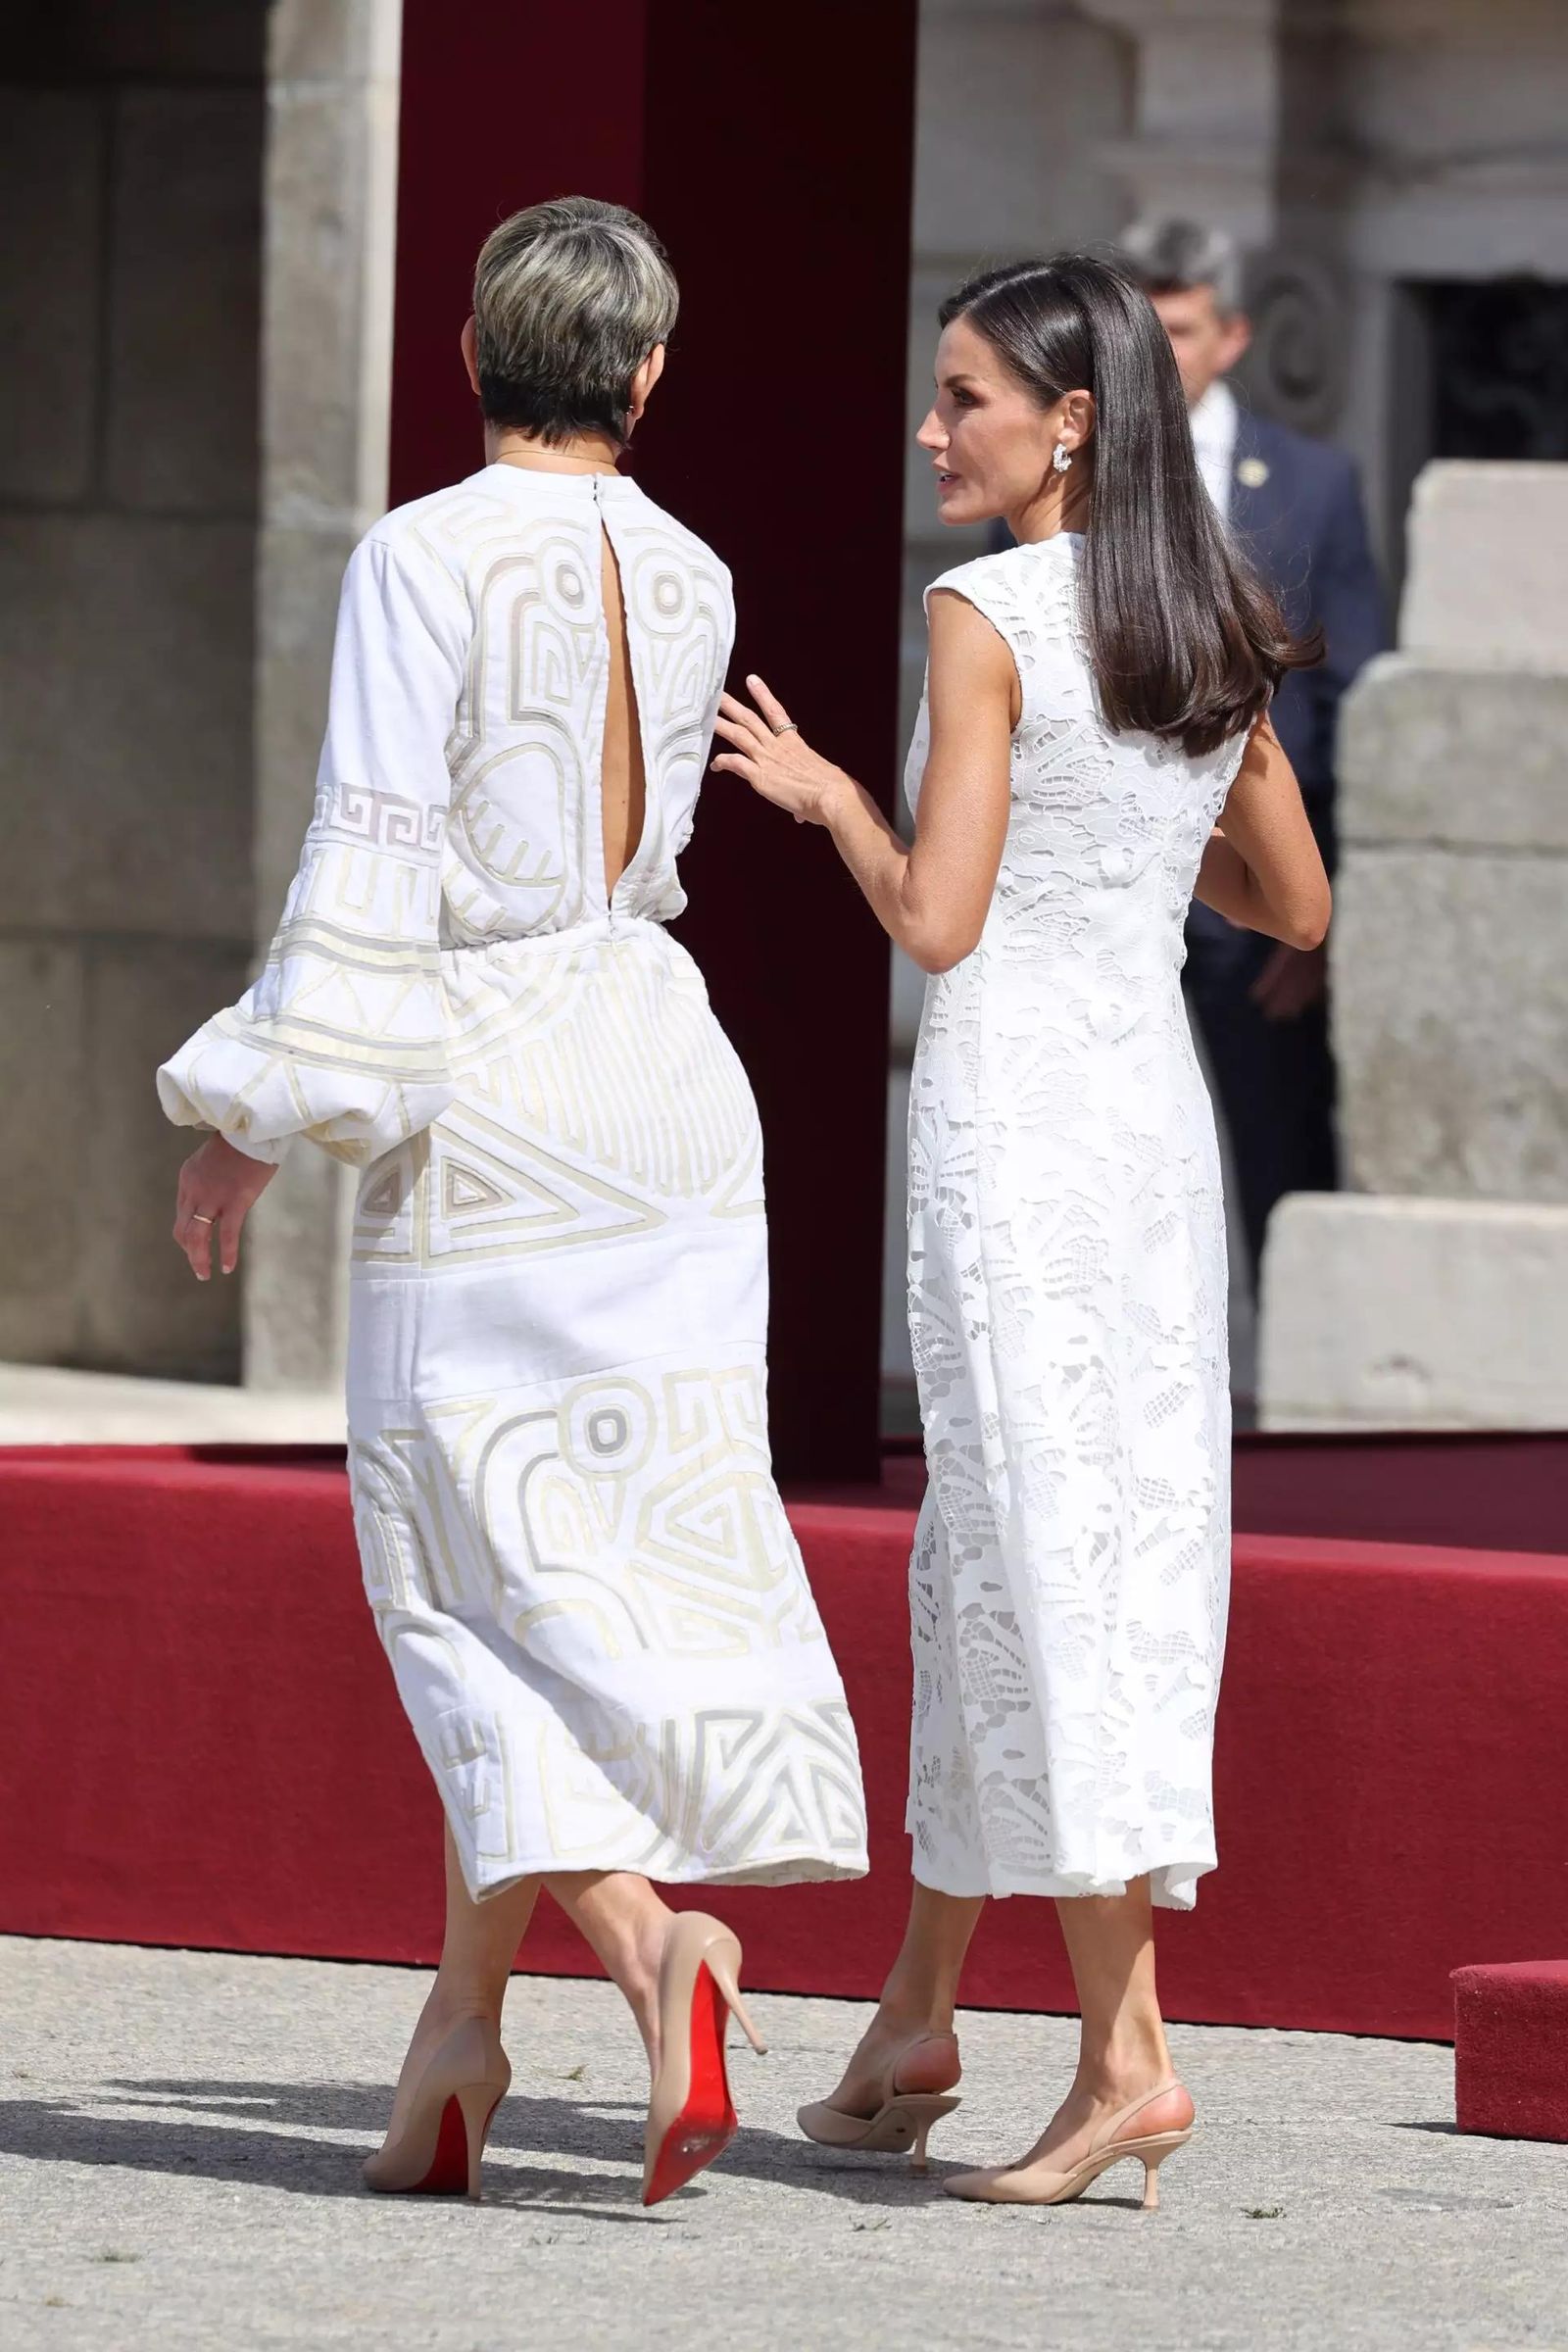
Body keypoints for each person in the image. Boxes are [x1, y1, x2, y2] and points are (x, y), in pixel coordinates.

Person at [158, 196, 867, 2208]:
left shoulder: (420, 553)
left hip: (484, 1084)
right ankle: (456, 2043)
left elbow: (371, 852)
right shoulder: (696, 566)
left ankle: (657, 1951)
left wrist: (257, 1112)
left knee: (454, 1584)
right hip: (656, 1068)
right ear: (645, 374)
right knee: (575, 1575)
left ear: (474, 349)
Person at [712, 254, 1328, 2209]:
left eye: (960, 395)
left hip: (1010, 1119)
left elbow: (938, 919)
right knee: (1033, 1547)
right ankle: (911, 2019)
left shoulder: (975, 614)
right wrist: (1153, 820)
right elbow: (1293, 908)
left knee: (1030, 1555)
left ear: (1066, 419)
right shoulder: (1202, 614)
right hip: (1144, 1121)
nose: (930, 428)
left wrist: (826, 799)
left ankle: (1123, 2057)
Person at [1118, 218, 1386, 1294]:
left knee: (1278, 1158)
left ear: (1229, 337)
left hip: (1252, 899)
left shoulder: (1314, 484)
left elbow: (1349, 702)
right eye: (1139, 331)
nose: (1156, 355)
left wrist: (1321, 907)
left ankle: (1293, 1415)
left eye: (1176, 330)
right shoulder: (1056, 484)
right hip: (1110, 886)